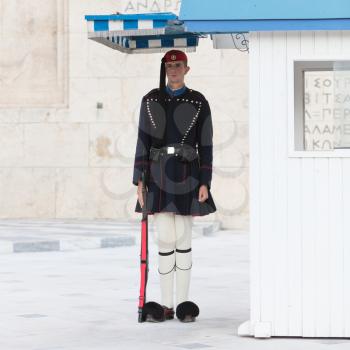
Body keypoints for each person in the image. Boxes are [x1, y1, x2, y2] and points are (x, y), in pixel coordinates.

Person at [132, 49, 216, 322]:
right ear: (165, 69)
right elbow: (143, 141)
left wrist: (205, 181)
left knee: (183, 237)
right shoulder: (150, 100)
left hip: (187, 175)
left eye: (179, 65)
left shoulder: (199, 101)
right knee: (165, 237)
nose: (174, 70)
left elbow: (206, 144)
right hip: (157, 174)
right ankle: (166, 303)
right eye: (170, 66)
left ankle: (183, 303)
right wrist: (139, 181)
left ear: (187, 69)